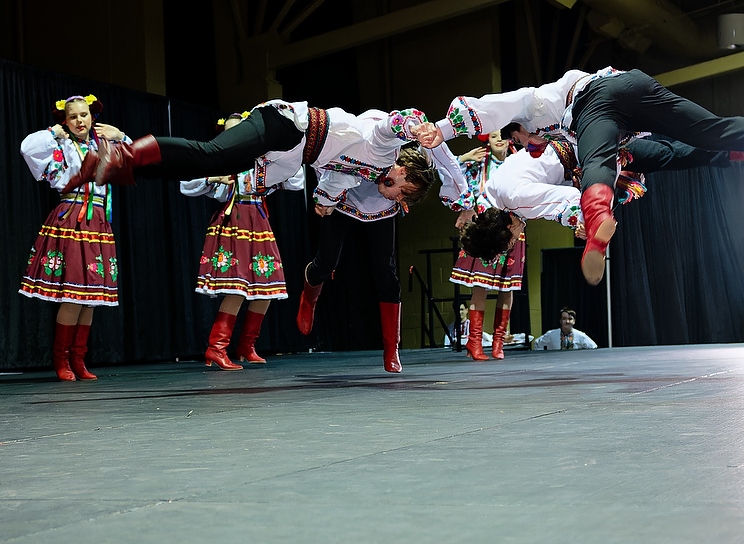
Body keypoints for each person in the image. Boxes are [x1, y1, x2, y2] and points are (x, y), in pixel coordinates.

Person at [416, 67, 744, 285]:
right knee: (701, 137)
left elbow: (559, 193)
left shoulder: (521, 152)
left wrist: (446, 128)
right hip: (630, 88)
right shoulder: (503, 179)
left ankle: (597, 230)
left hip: (596, 108)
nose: (527, 142)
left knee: (600, 166)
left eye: (520, 137)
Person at [458, 130, 744, 264]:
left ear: (504, 231)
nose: (517, 238)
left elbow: (570, 201)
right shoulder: (493, 192)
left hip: (592, 152)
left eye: (509, 241)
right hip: (580, 145)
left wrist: (583, 225)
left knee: (674, 155)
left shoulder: (516, 201)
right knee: (673, 151)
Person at [87, 100, 439, 213]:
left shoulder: (365, 173)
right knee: (211, 155)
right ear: (405, 173)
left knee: (200, 166)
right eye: (403, 195)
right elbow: (391, 124)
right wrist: (416, 126)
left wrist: (326, 203)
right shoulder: (384, 150)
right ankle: (125, 152)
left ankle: (126, 168)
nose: (395, 199)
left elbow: (335, 180)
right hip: (286, 126)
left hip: (285, 148)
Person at [295, 143, 465, 373]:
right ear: (402, 171)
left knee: (386, 272)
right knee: (326, 262)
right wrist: (326, 197)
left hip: (380, 209)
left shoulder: (417, 160)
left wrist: (465, 202)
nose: (401, 198)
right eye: (403, 193)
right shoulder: (374, 144)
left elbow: (448, 161)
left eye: (404, 196)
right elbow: (331, 162)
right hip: (344, 196)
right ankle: (309, 297)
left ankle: (391, 348)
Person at [180, 112, 304, 370]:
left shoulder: (262, 160)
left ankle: (247, 346)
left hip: (258, 222)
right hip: (233, 222)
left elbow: (296, 180)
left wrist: (279, 152)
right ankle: (216, 348)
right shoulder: (218, 160)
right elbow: (186, 183)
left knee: (267, 288)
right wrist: (214, 178)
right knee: (236, 288)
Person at [19, 95, 131, 381]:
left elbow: (135, 160)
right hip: (72, 216)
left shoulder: (103, 144)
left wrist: (120, 135)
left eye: (84, 115)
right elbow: (27, 148)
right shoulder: (61, 144)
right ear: (65, 120)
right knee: (72, 295)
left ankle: (79, 358)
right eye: (73, 117)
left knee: (90, 297)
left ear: (92, 117)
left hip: (98, 221)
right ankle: (62, 359)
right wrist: (52, 133)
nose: (80, 121)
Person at [443, 130, 521, 361]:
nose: (499, 140)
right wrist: (463, 158)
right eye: (494, 136)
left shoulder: (519, 161)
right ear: (487, 139)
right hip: (486, 227)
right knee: (481, 284)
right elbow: (450, 174)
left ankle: (499, 342)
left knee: (507, 287)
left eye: (503, 135)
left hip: (512, 227)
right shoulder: (479, 163)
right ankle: (474, 342)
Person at [533, 308, 597, 350]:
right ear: (560, 321)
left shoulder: (580, 335)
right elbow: (537, 343)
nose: (567, 321)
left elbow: (593, 347)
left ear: (574, 321)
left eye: (570, 319)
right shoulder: (551, 334)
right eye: (564, 319)